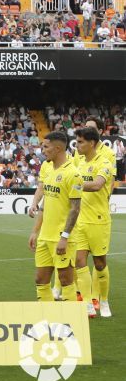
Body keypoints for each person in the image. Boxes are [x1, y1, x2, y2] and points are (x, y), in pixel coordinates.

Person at [29, 131, 82, 302]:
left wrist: (65, 237)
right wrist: (35, 231)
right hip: (45, 236)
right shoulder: (49, 169)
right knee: (40, 280)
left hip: (62, 237)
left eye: (46, 146)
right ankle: (49, 320)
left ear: (58, 148)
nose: (42, 150)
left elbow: (75, 209)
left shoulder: (73, 174)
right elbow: (46, 204)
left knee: (66, 280)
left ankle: (70, 322)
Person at [72, 127, 114, 317]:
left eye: (80, 142)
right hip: (80, 221)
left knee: (99, 263)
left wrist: (73, 185)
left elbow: (97, 185)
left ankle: (103, 301)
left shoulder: (104, 163)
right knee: (79, 262)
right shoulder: (78, 162)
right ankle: (88, 303)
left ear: (92, 143)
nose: (77, 145)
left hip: (98, 221)